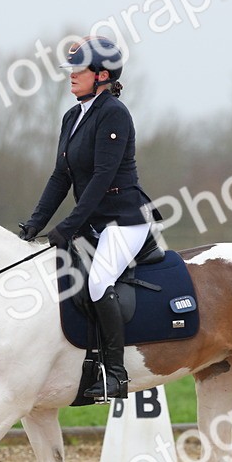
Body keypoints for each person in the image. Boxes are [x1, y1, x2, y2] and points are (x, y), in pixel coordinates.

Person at [19, 36, 159, 401]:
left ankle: (115, 375)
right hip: (96, 220)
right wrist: (34, 223)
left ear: (102, 74)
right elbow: (60, 176)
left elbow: (102, 178)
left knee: (98, 282)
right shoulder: (72, 116)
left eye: (78, 70)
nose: (71, 76)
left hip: (124, 219)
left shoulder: (113, 113)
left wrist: (68, 226)